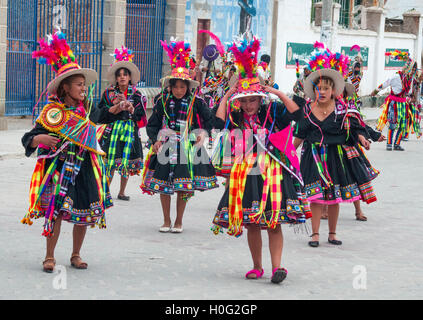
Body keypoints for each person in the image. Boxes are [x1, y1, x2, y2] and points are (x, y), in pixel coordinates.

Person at [211, 37, 310, 284]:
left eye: (252, 99)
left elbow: (298, 115)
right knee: (252, 223)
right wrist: (227, 97)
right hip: (246, 173)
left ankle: (278, 267)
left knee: (273, 221)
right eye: (243, 100)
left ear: (260, 98)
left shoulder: (273, 111)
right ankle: (257, 267)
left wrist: (275, 92)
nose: (247, 104)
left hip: (273, 171)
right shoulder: (235, 116)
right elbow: (215, 123)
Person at [21, 30, 114, 273]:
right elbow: (28, 138)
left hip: (83, 167)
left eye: (84, 84)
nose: (84, 88)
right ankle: (49, 256)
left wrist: (118, 109)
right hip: (60, 169)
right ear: (66, 87)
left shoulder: (87, 109)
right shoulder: (53, 113)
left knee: (82, 212)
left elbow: (101, 119)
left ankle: (75, 254)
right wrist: (38, 138)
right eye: (79, 84)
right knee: (56, 213)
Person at [293, 45, 378, 248]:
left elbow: (355, 128)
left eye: (325, 88)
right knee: (315, 196)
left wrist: (363, 139)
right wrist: (286, 152)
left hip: (335, 156)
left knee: (334, 197)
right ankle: (314, 234)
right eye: (318, 88)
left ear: (333, 91)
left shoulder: (343, 109)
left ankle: (332, 233)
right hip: (313, 157)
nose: (321, 92)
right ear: (313, 90)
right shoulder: (307, 110)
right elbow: (300, 135)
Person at [140, 39, 218, 233]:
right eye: (175, 87)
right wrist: (155, 140)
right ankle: (166, 220)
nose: (178, 90)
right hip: (166, 145)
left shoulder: (197, 102)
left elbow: (209, 121)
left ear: (188, 87)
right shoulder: (162, 101)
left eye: (182, 87)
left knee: (183, 186)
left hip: (187, 146)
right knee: (163, 184)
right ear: (170, 86)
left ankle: (179, 221)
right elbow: (153, 124)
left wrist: (202, 134)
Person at [96, 46, 147, 201]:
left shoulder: (137, 95)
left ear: (130, 77)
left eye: (125, 75)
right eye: (119, 75)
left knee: (126, 162)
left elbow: (141, 115)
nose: (123, 78)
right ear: (116, 78)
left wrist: (131, 109)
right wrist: (115, 107)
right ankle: (105, 191)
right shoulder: (108, 93)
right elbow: (100, 112)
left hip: (129, 131)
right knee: (110, 161)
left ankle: (122, 191)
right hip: (112, 131)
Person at [372, 51, 421, 150]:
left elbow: (410, 92)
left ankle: (397, 144)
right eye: (412, 70)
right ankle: (389, 144)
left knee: (403, 125)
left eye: (414, 70)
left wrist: (411, 98)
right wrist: (375, 92)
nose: (413, 72)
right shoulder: (396, 77)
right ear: (408, 69)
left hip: (404, 104)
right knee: (393, 124)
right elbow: (384, 85)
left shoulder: (410, 79)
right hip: (393, 104)